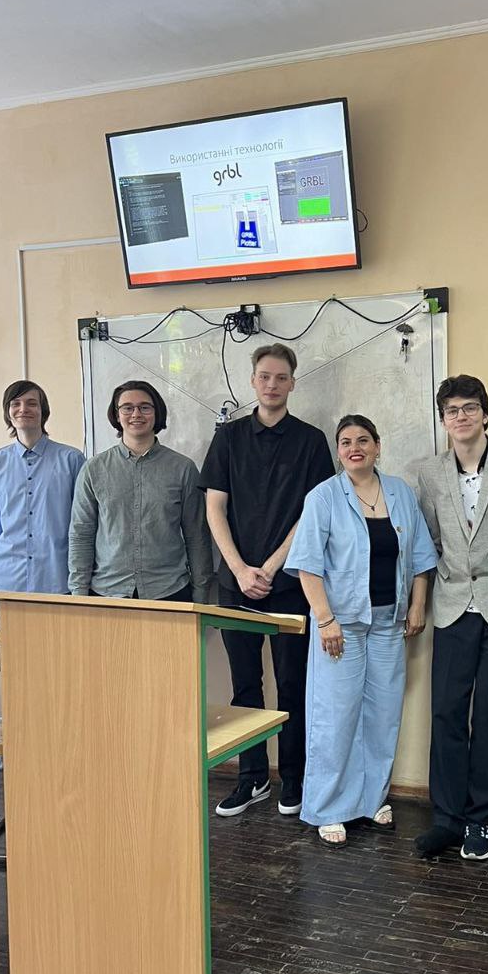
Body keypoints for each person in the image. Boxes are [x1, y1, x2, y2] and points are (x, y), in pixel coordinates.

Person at [285, 415, 437, 848]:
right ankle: (329, 807)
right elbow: (308, 565)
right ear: (339, 451)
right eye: (346, 442)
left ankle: (372, 799)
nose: (355, 448)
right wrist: (325, 619)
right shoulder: (324, 497)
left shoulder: (400, 493)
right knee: (335, 717)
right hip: (341, 625)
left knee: (383, 715)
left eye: (363, 440)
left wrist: (417, 605)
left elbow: (421, 557)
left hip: (389, 623)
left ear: (377, 446)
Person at [199, 343, 334, 820]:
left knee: (292, 685)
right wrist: (239, 568)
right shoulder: (229, 437)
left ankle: (293, 779)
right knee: (245, 686)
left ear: (292, 383)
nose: (272, 384)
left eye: (280, 377)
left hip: (291, 585)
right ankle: (251, 777)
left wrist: (272, 567)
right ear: (253, 381)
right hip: (235, 584)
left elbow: (312, 513)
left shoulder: (312, 441)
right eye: (264, 376)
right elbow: (214, 508)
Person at [414, 375, 488, 861]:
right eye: (451, 411)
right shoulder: (428, 473)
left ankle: (481, 816)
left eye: (469, 408)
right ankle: (446, 817)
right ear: (443, 420)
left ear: (485, 413)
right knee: (446, 711)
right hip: (451, 604)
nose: (460, 417)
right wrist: (423, 598)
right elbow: (427, 541)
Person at [68, 381, 212, 604]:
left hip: (169, 591)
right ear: (117, 415)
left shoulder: (183, 468)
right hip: (107, 593)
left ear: (157, 413)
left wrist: (201, 593)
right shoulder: (93, 469)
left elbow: (197, 536)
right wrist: (79, 594)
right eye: (127, 408)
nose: (136, 414)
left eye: (145, 407)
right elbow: (81, 534)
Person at [0, 381, 85, 600]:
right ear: (8, 412)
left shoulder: (72, 460)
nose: (23, 409)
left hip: (58, 583)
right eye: (15, 403)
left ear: (43, 411)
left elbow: (83, 526)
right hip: (6, 583)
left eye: (31, 403)